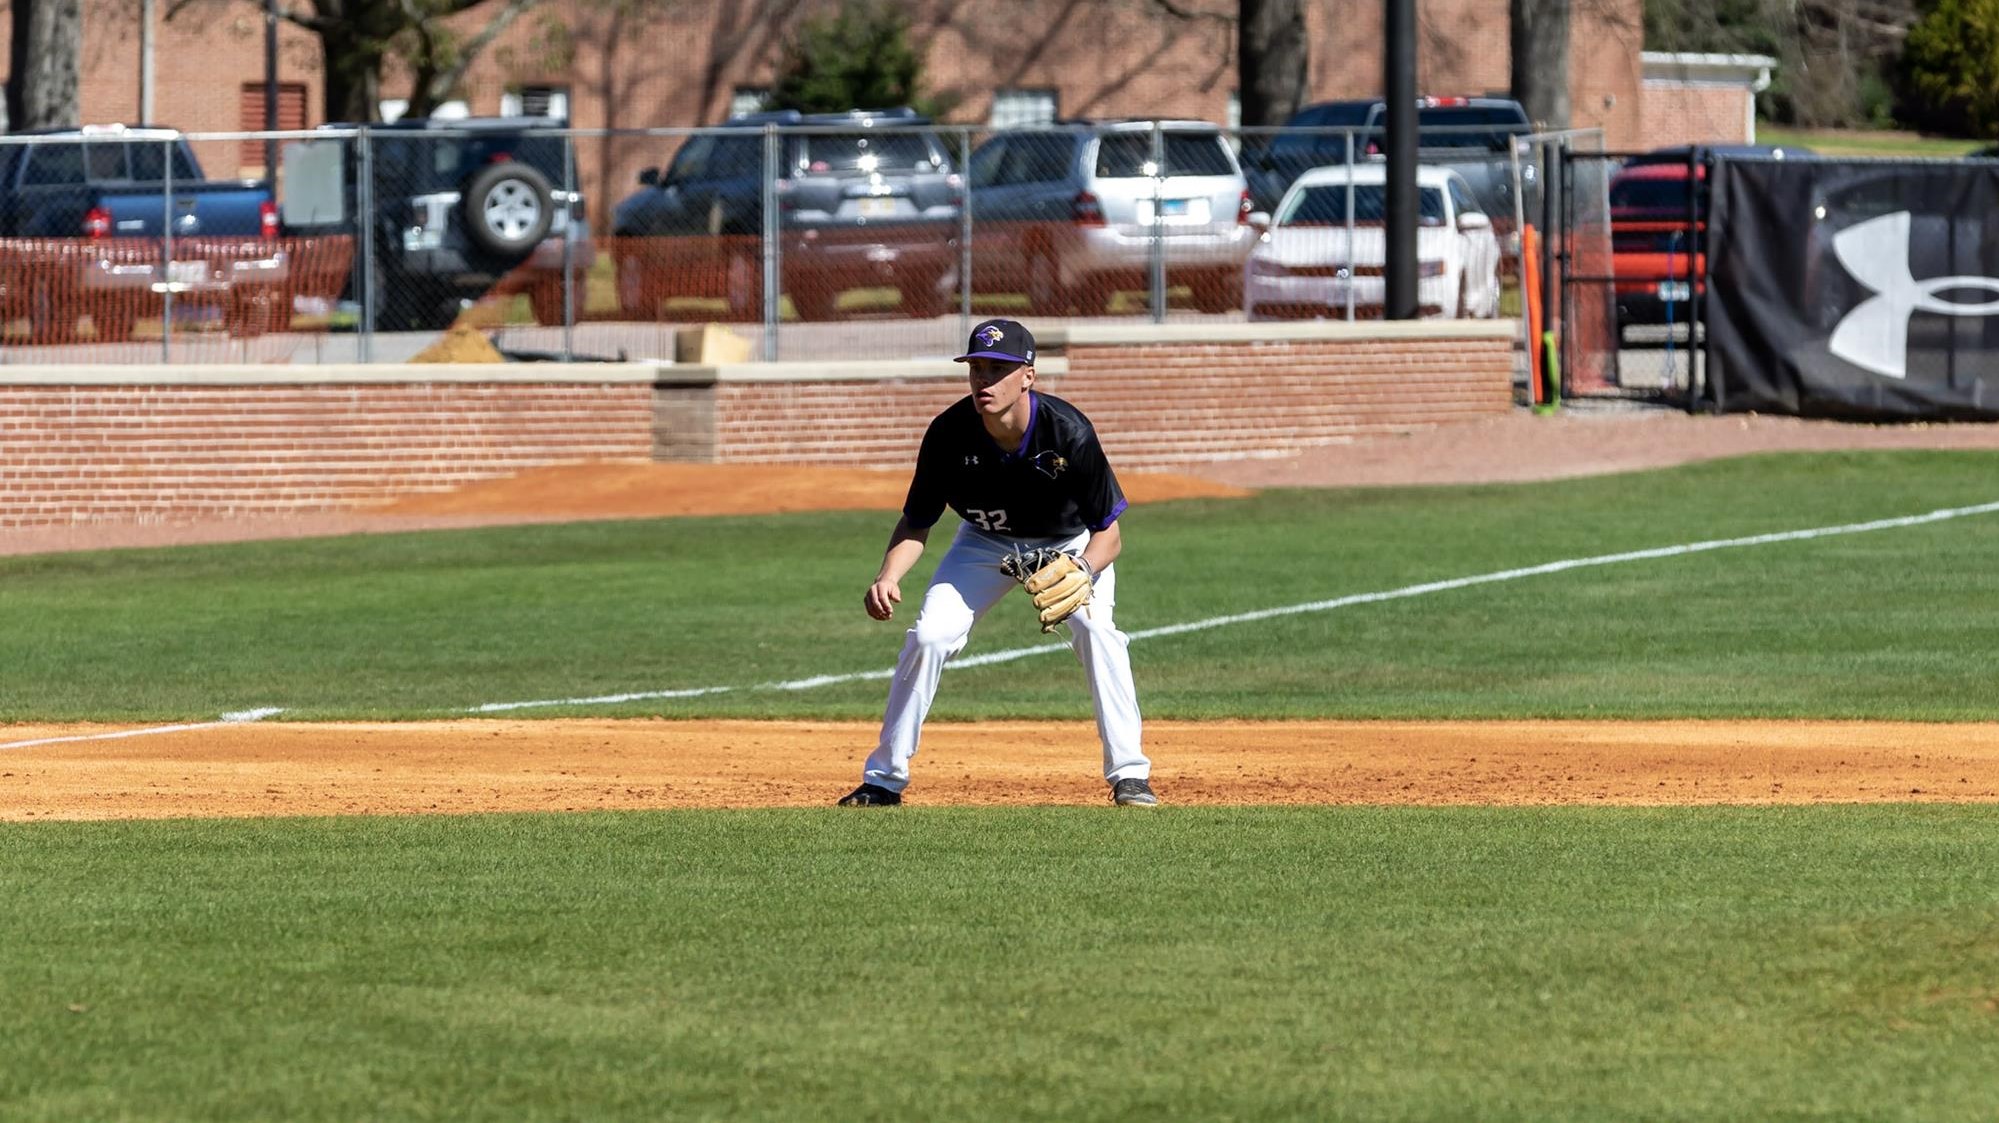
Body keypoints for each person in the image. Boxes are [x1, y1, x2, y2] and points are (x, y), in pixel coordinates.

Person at [839, 318, 1158, 808]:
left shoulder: (1069, 432)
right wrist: (888, 575)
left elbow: (1108, 535)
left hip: (1068, 545)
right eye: (977, 368)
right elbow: (917, 522)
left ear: (1028, 375)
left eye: (999, 369)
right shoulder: (949, 434)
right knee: (929, 637)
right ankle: (883, 779)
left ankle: (1130, 776)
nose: (984, 380)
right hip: (985, 543)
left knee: (1099, 635)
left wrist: (1083, 571)